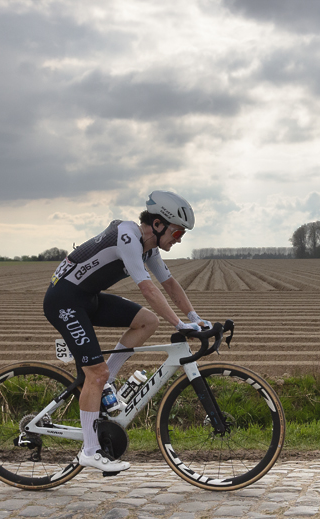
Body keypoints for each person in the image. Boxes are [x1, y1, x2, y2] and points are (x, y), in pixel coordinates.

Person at [43, 190, 209, 473]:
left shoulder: (149, 248)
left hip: (87, 298)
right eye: (178, 232)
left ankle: (107, 380)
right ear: (158, 224)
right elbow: (148, 288)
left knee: (148, 322)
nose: (179, 239)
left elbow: (170, 284)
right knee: (95, 374)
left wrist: (195, 318)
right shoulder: (128, 237)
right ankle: (90, 451)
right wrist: (179, 325)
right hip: (64, 301)